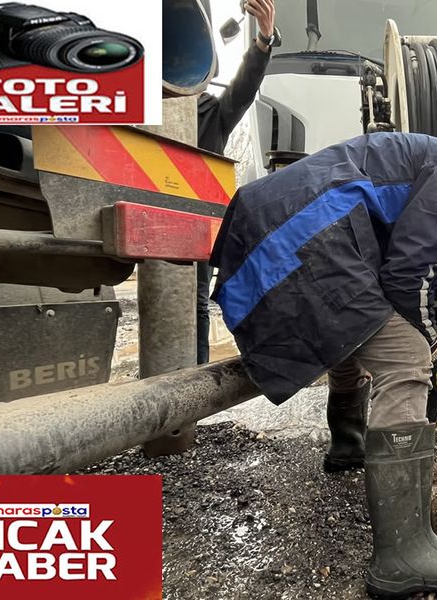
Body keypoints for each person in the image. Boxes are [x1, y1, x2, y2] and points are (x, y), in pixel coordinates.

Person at [208, 132, 437, 598]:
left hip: (276, 220)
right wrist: (431, 348)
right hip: (308, 229)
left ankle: (349, 443)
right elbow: (408, 277)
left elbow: (390, 276)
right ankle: (404, 555)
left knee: (355, 327)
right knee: (405, 358)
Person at [195, 0, 279, 364]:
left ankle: (186, 397)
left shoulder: (210, 113)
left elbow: (244, 87)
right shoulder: (137, 109)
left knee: (194, 304)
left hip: (195, 228)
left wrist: (263, 40)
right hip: (137, 216)